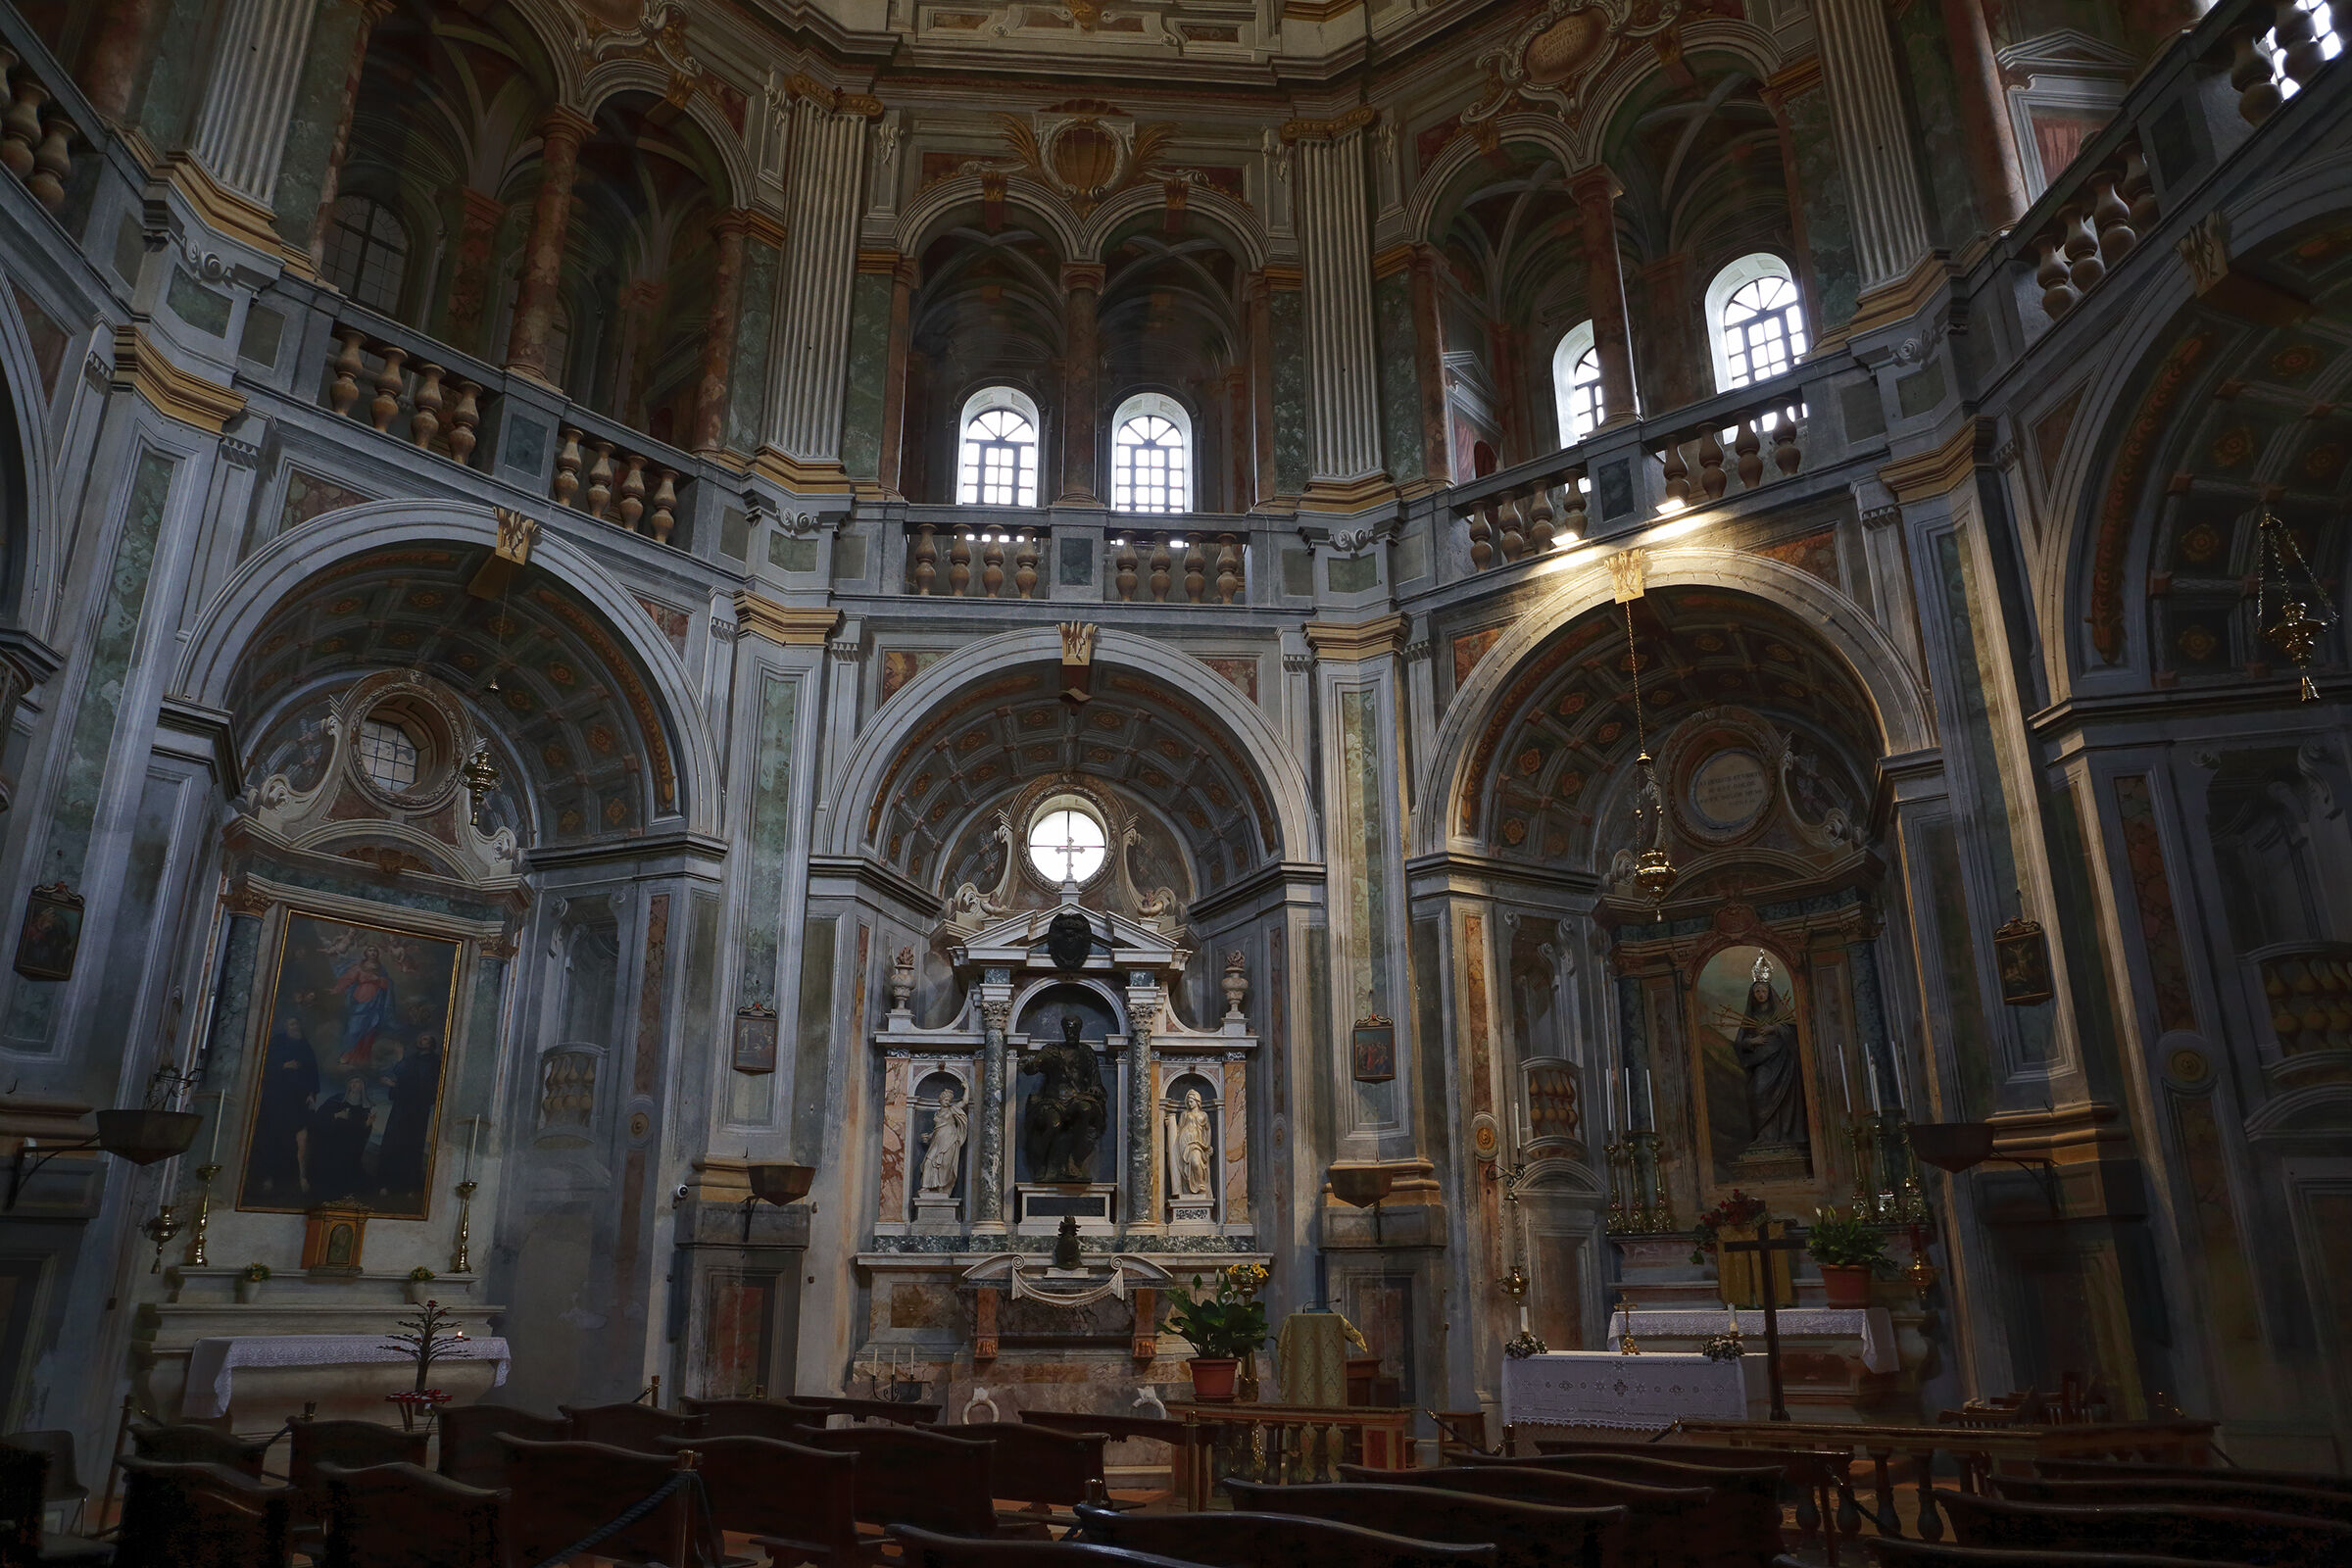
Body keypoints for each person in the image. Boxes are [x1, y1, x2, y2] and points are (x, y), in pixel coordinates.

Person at [1730, 955, 1806, 1148]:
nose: (1761, 994)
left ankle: (1782, 1136)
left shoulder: (1779, 1012)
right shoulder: (1751, 1016)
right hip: (1761, 1063)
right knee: (1757, 1093)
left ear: (1770, 992)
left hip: (1782, 1063)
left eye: (1763, 990)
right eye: (1757, 991)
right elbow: (1739, 1042)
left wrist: (1775, 1028)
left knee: (1784, 1099)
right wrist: (1751, 1041)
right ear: (1752, 994)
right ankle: (1764, 1135)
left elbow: (1795, 1030)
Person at [248, 1013, 320, 1201]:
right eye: (291, 1024)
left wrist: (312, 1093)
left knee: (301, 1139)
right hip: (277, 1100)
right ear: (285, 1027)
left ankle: (300, 1177)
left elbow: (312, 1071)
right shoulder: (277, 1043)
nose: (295, 1027)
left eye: (297, 1023)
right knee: (273, 1139)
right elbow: (264, 1068)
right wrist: (284, 1065)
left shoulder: (305, 1046)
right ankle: (269, 1177)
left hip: (298, 1101)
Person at [374, 1031, 442, 1201]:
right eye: (420, 1038)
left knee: (412, 1145)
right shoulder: (412, 1059)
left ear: (431, 1044)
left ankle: (409, 1185)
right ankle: (386, 1183)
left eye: (425, 1038)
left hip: (417, 1109)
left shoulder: (434, 1062)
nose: (421, 1040)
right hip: (401, 1107)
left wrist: (399, 1060)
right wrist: (394, 1084)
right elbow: (404, 1078)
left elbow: (419, 1084)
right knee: (392, 1143)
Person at [310, 1075, 375, 1201]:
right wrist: (336, 1115)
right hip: (332, 1142)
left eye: (358, 1082)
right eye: (352, 1082)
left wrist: (367, 1125)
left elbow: (361, 1131)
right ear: (348, 1085)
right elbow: (319, 1118)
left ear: (362, 1085)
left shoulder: (365, 1107)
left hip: (350, 1146)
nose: (354, 1084)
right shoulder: (336, 1100)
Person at [917, 1088, 967, 1198]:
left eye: (949, 1100)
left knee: (945, 1164)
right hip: (936, 1141)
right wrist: (929, 1137)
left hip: (949, 1140)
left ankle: (942, 1187)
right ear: (940, 1100)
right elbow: (937, 1129)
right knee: (928, 1162)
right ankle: (926, 1187)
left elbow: (964, 1102)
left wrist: (967, 1087)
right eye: (945, 1099)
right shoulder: (937, 1113)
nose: (947, 1102)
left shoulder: (952, 1110)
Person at [1174, 1088, 1213, 1199]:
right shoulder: (1184, 1114)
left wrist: (1207, 1145)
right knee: (1186, 1166)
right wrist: (1170, 1125)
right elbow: (1179, 1129)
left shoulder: (1203, 1115)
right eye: (1188, 1102)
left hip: (1198, 1143)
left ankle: (1200, 1184)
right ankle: (1189, 1188)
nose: (1189, 1104)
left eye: (1191, 1101)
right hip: (1184, 1142)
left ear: (1197, 1101)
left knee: (1195, 1162)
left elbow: (1208, 1130)